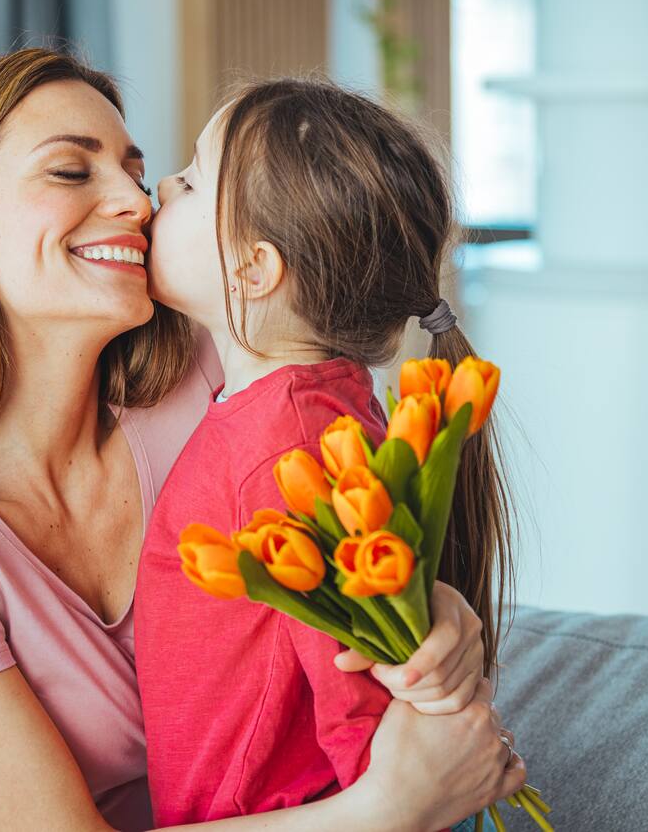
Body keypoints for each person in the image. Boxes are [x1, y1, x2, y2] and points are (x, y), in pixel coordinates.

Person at [0, 49, 525, 831]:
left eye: (137, 171)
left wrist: (432, 614)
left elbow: (342, 526)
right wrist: (391, 807)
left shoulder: (215, 383)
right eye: (71, 172)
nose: (137, 202)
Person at [134, 79, 516, 832]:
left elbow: (361, 699)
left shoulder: (290, 449)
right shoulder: (301, 410)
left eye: (191, 180)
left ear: (252, 269)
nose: (161, 187)